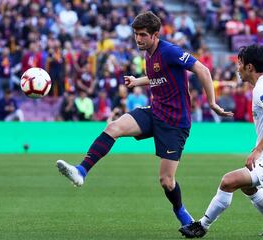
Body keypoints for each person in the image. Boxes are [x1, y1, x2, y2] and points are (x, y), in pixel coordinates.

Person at [56, 11, 232, 230]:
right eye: (135, 34)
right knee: (114, 127)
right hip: (154, 112)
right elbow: (159, 76)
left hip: (175, 123)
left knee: (166, 181)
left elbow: (202, 69)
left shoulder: (169, 51)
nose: (138, 39)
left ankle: (180, 211)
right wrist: (137, 81)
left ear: (155, 35)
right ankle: (80, 172)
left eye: (142, 35)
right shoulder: (149, 53)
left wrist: (212, 102)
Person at [179, 44, 263, 238]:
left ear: (249, 67)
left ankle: (201, 226)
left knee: (228, 181)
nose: (237, 68)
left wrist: (258, 150)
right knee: (249, 187)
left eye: (239, 63)